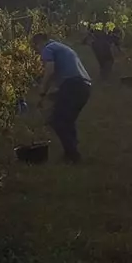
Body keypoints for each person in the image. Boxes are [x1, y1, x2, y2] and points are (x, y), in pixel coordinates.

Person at [32, 32, 92, 164]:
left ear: (39, 43)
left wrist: (42, 89)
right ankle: (71, 152)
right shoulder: (60, 47)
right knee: (67, 120)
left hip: (73, 86)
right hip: (84, 87)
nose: (36, 51)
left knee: (58, 121)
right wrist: (49, 95)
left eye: (35, 47)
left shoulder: (48, 49)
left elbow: (50, 70)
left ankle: (73, 155)